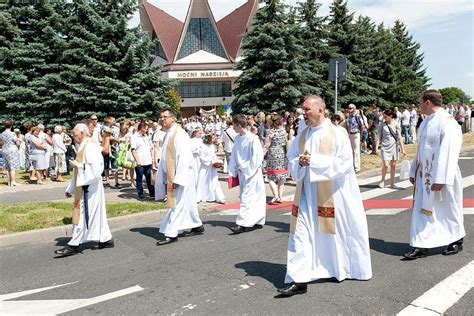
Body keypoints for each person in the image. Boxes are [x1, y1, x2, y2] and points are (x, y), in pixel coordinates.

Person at [278, 95, 372, 297]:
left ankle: (336, 267)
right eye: (302, 110)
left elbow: (345, 163)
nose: (302, 113)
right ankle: (299, 279)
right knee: (299, 234)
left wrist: (314, 161)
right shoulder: (302, 135)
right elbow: (291, 159)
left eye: (306, 109)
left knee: (334, 235)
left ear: (320, 110)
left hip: (334, 194)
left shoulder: (337, 133)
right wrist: (299, 163)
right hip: (306, 193)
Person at [404, 90, 465, 260]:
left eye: (420, 102)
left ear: (428, 102)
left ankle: (456, 239)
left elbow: (450, 152)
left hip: (443, 175)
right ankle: (421, 244)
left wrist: (441, 179)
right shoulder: (425, 123)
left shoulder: (448, 122)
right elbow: (420, 150)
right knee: (423, 210)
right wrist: (413, 170)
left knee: (448, 209)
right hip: (425, 176)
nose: (419, 106)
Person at [54, 123, 114, 257]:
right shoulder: (83, 146)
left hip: (89, 188)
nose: (73, 136)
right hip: (85, 186)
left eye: (75, 134)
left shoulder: (91, 147)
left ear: (82, 133)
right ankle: (106, 239)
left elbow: (97, 169)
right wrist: (70, 188)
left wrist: (79, 166)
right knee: (97, 215)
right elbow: (78, 170)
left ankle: (73, 245)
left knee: (80, 215)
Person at [155, 108, 204, 245]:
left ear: (173, 118)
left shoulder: (180, 134)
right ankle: (196, 225)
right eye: (161, 117)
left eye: (165, 117)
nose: (162, 119)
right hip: (173, 173)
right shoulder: (169, 134)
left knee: (177, 204)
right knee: (187, 202)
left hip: (181, 175)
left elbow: (184, 158)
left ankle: (171, 233)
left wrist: (178, 178)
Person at [228, 114, 266, 234]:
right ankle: (256, 219)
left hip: (251, 172)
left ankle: (242, 223)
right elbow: (234, 154)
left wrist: (249, 170)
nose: (233, 128)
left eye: (234, 125)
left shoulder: (252, 138)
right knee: (249, 196)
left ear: (239, 125)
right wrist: (233, 169)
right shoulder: (238, 138)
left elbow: (257, 156)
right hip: (242, 172)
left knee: (247, 197)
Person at [377, 109, 406, 189]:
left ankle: (392, 183)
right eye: (383, 116)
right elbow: (379, 136)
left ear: (391, 116)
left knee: (393, 165)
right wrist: (376, 147)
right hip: (384, 147)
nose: (384, 118)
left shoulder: (396, 124)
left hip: (394, 147)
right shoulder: (382, 124)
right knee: (386, 165)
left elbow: (399, 138)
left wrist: (403, 149)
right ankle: (382, 180)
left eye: (385, 116)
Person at [263, 113, 289, 204]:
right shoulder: (283, 131)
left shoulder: (269, 132)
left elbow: (266, 145)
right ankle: (281, 197)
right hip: (282, 154)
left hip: (273, 154)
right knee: (281, 177)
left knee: (271, 177)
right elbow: (286, 142)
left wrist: (261, 154)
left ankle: (275, 196)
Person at [196, 134, 226, 204]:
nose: (214, 139)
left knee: (213, 181)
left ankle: (212, 196)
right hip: (205, 166)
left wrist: (216, 160)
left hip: (211, 166)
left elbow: (213, 155)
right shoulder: (202, 146)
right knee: (203, 180)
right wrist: (210, 161)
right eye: (212, 138)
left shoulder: (212, 146)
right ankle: (201, 196)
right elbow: (201, 157)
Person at [130, 122, 154, 200]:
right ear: (142, 128)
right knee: (139, 179)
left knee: (149, 178)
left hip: (148, 161)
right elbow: (133, 150)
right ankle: (140, 194)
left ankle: (152, 193)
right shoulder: (134, 137)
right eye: (146, 129)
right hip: (140, 162)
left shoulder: (146, 136)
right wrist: (137, 160)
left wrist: (152, 158)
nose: (147, 130)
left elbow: (151, 147)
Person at [0, 120, 21, 186]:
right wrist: (18, 145)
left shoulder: (2, 134)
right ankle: (13, 181)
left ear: (4, 125)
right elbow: (17, 142)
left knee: (7, 166)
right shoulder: (13, 134)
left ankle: (9, 182)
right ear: (11, 125)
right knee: (12, 167)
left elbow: (1, 142)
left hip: (5, 150)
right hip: (12, 150)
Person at [345, 104, 363, 172]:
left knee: (356, 151)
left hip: (356, 134)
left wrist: (360, 135)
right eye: (348, 108)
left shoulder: (357, 116)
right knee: (351, 150)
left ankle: (357, 167)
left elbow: (361, 126)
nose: (349, 110)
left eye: (350, 108)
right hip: (350, 134)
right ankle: (352, 165)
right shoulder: (349, 116)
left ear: (354, 108)